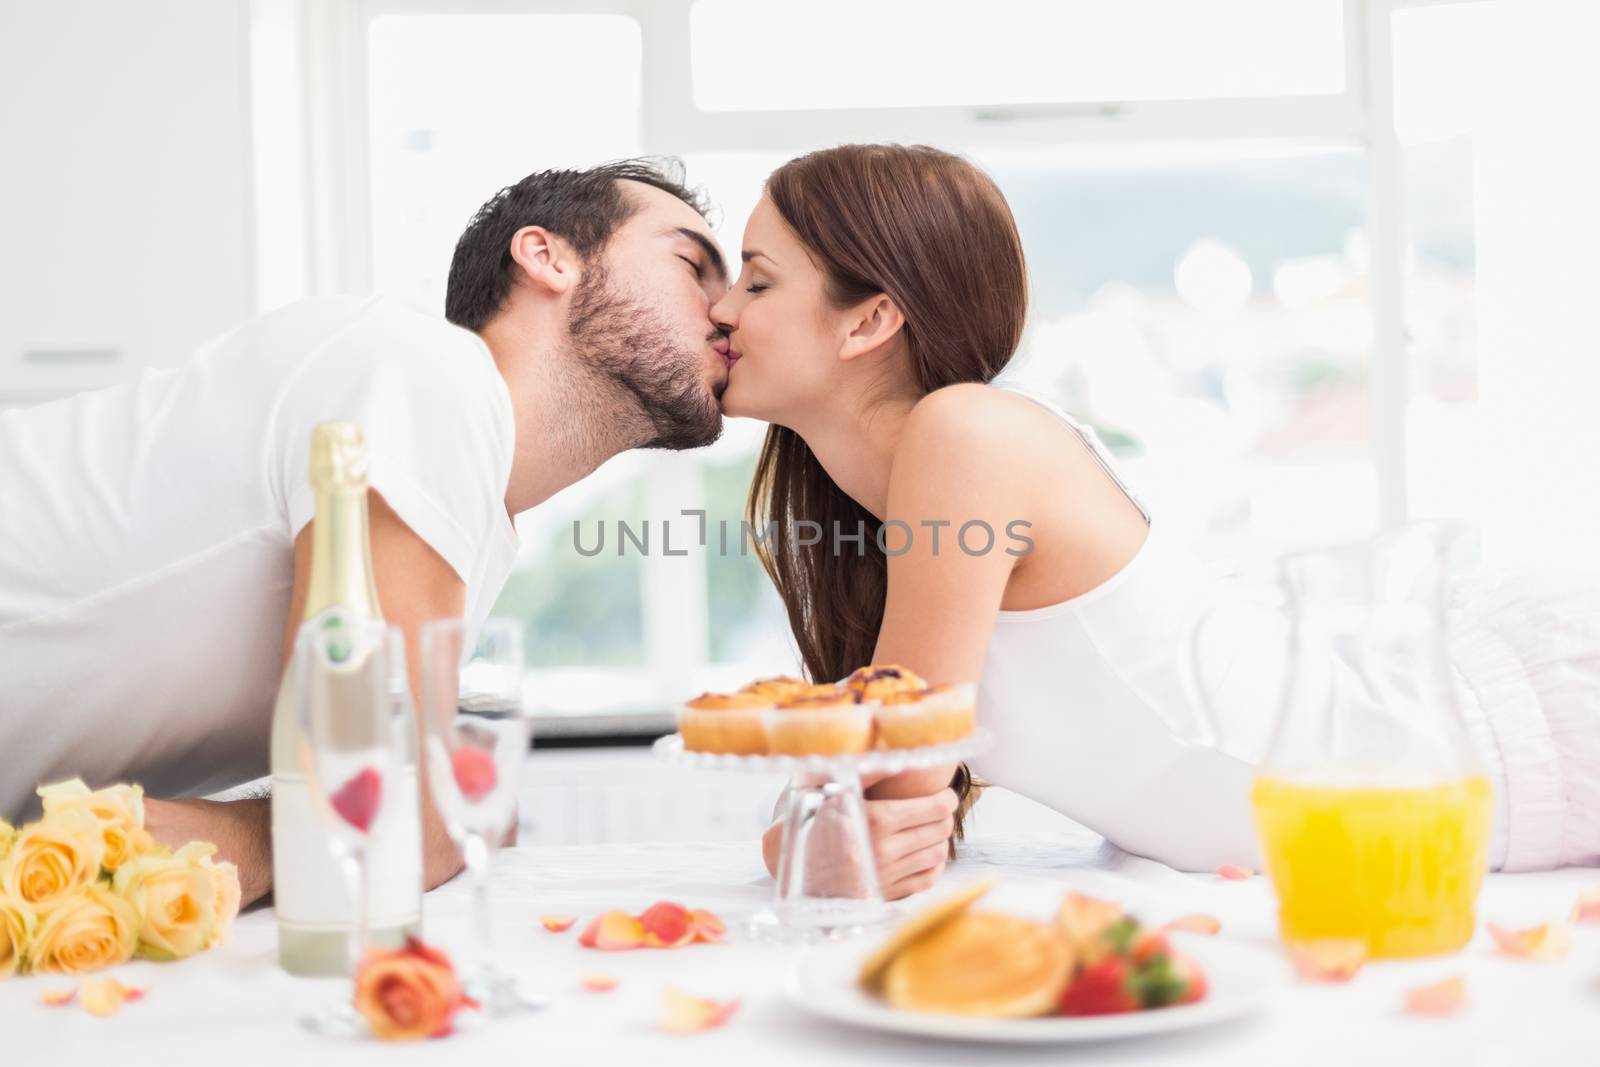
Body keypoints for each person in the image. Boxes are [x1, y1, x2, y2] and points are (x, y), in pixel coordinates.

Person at [711, 143, 1600, 888]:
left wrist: (805, 838)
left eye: (756, 283)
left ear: (870, 320)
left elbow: (888, 804)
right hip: (1406, 782)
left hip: (1494, 744)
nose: (720, 310)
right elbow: (876, 824)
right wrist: (816, 835)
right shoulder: (901, 501)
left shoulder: (965, 435)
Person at [0, 160, 735, 905]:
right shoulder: (429, 374)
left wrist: (271, 831)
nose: (729, 309)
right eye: (693, 265)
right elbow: (382, 825)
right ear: (547, 256)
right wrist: (283, 831)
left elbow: (425, 816)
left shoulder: (469, 504)